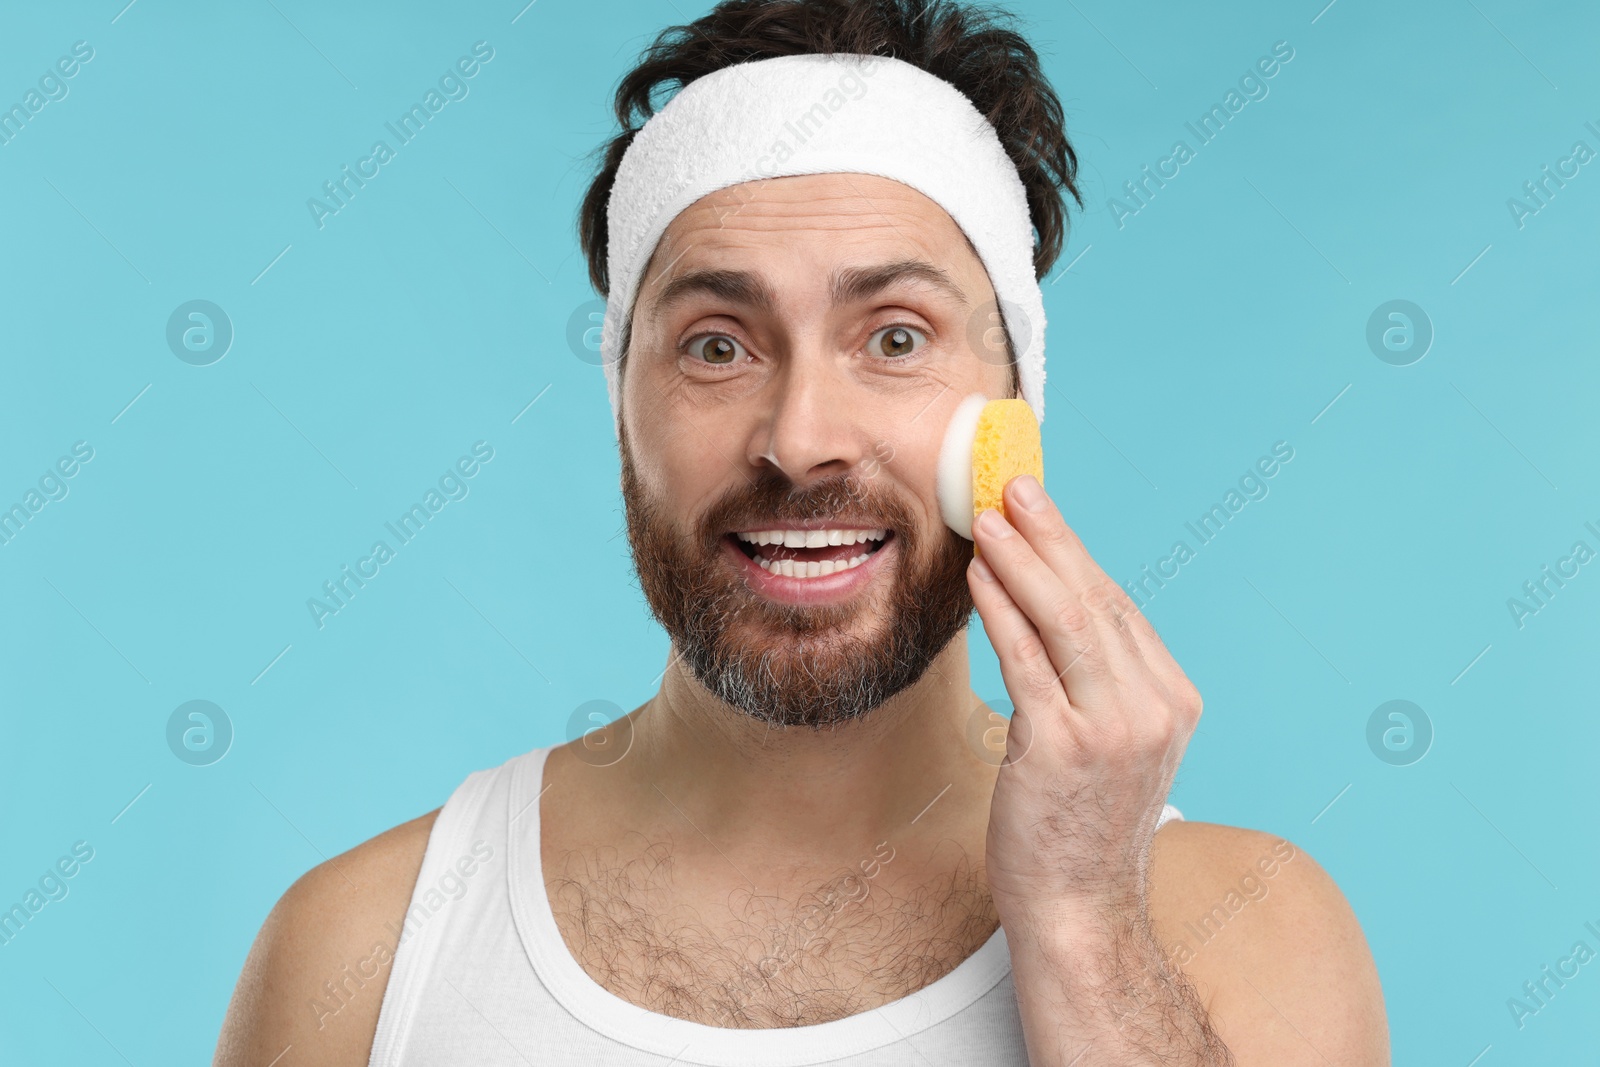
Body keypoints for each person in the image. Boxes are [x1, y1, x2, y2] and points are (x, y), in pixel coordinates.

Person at [214, 2, 1388, 1063]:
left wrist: (1082, 925)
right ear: (621, 409)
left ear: (1015, 413)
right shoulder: (356, 957)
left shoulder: (1251, 933)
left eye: (894, 336)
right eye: (717, 344)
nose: (800, 438)